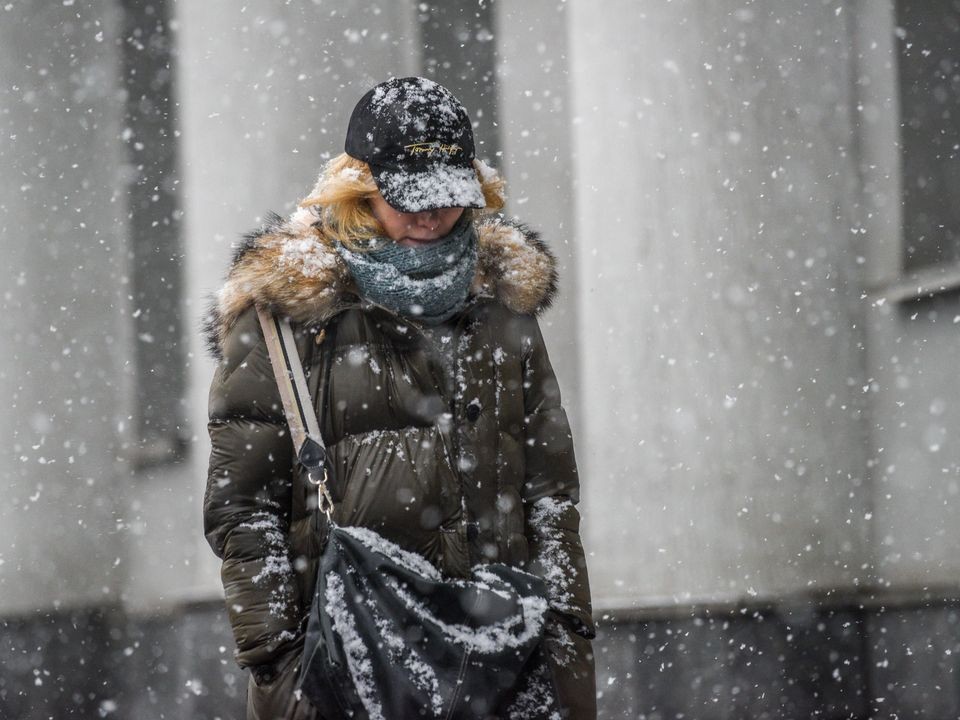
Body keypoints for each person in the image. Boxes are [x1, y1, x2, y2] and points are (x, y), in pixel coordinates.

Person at [203, 76, 596, 720]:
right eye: (407, 196)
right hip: (349, 669)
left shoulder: (503, 309)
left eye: (446, 196)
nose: (427, 216)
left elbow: (550, 496)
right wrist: (280, 660)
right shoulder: (283, 319)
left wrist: (567, 641)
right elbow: (242, 508)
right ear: (358, 190)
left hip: (503, 664)